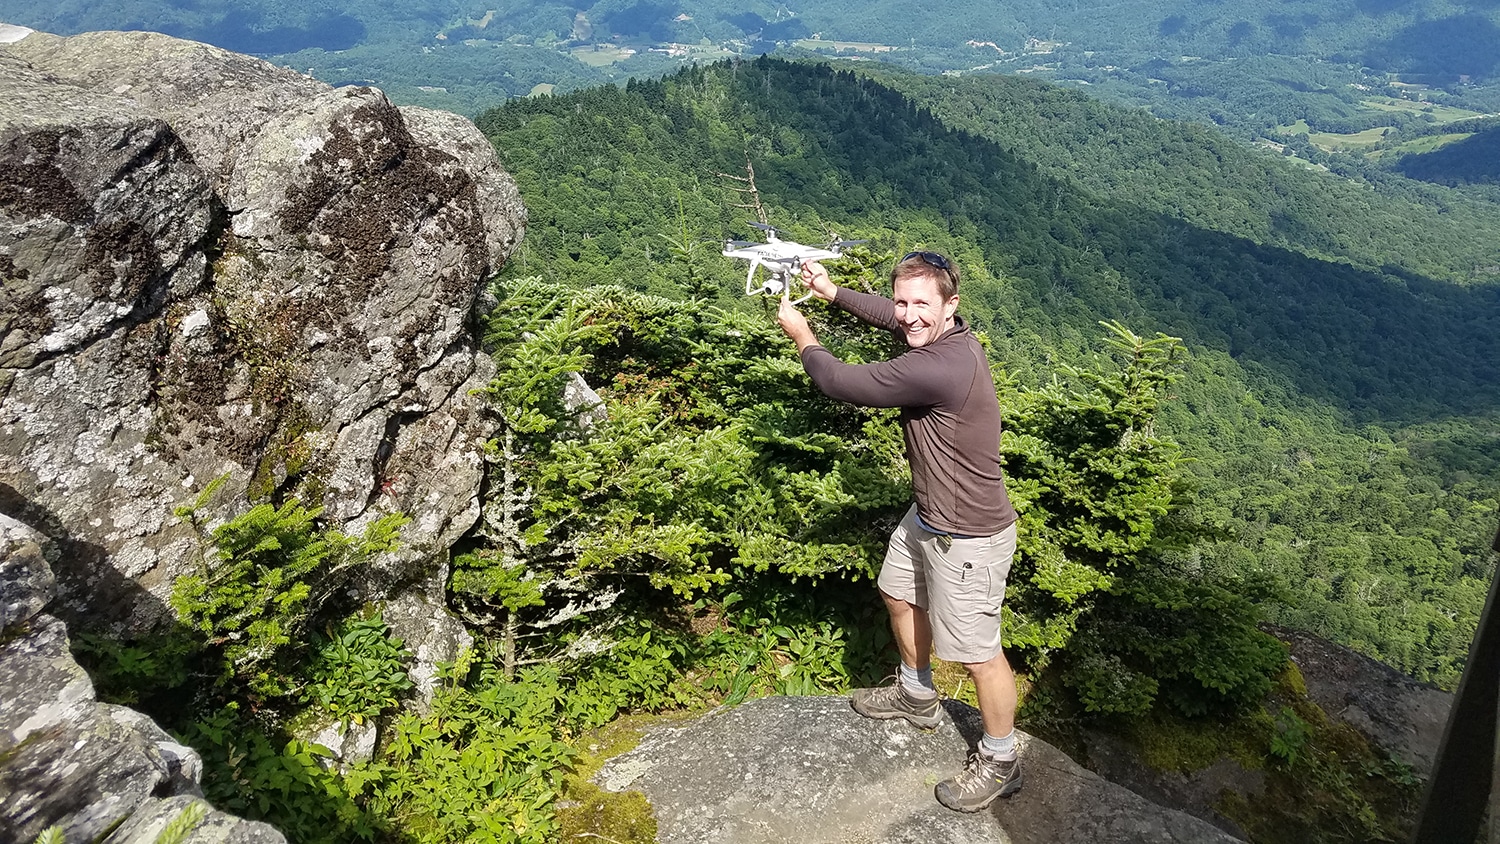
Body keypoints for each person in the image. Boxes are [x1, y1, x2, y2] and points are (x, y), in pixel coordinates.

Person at [775, 250, 1022, 812]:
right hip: (929, 515)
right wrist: (833, 291)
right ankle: (916, 694)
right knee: (896, 591)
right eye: (903, 301)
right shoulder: (944, 335)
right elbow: (893, 316)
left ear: (951, 305)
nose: (909, 315)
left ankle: (1002, 757)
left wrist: (803, 333)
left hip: (967, 532)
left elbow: (840, 382)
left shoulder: (940, 367)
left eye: (922, 305)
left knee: (979, 653)